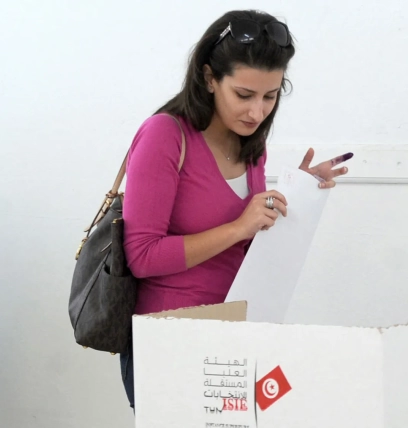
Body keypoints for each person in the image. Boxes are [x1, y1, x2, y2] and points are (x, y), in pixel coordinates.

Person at [118, 10, 352, 410]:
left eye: (270, 96)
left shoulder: (251, 147)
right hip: (171, 338)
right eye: (244, 95)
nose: (257, 112)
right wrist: (239, 226)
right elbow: (141, 256)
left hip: (237, 332)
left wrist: (296, 194)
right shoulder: (165, 135)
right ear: (210, 78)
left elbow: (245, 245)